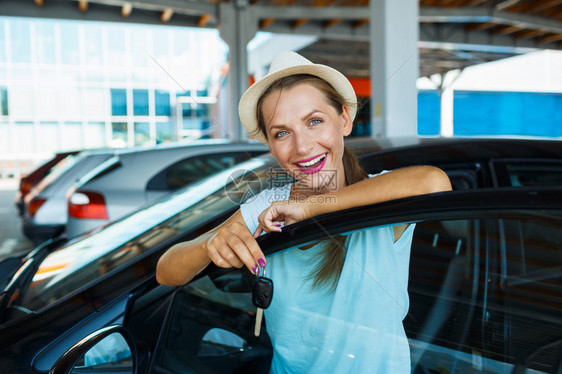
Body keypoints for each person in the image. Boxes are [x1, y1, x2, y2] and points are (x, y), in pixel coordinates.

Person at [156, 51, 452, 373]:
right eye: (281, 133)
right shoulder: (265, 205)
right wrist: (209, 245)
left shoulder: (381, 197)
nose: (302, 146)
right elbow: (167, 271)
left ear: (344, 120)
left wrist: (311, 206)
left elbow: (434, 182)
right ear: (270, 145)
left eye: (314, 121)